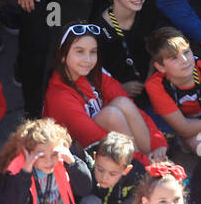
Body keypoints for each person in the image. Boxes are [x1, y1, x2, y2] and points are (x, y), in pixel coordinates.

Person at [44, 22, 168, 155]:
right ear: (62, 55)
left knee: (122, 103)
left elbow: (132, 108)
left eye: (93, 52)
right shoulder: (59, 95)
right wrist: (141, 160)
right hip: (75, 155)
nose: (88, 59)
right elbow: (93, 138)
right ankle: (142, 168)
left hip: (110, 144)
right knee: (111, 115)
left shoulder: (95, 72)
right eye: (80, 51)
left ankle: (154, 160)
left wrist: (158, 143)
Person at [96, 0, 150, 95]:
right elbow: (93, 73)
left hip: (150, 87)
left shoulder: (148, 15)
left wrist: (150, 81)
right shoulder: (99, 30)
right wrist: (119, 88)